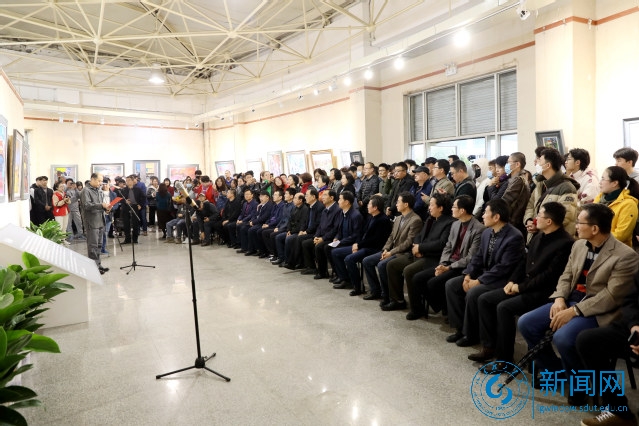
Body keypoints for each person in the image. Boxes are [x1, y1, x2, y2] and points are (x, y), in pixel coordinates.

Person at [518, 203, 639, 406]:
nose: (575, 226)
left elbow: (611, 296)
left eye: (580, 222)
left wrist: (574, 311)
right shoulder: (578, 245)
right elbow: (566, 275)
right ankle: (557, 371)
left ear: (594, 228)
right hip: (570, 300)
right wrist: (559, 299)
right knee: (526, 323)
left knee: (563, 337)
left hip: (597, 311)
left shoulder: (625, 256)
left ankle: (579, 385)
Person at [469, 202, 574, 364]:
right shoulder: (539, 236)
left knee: (504, 307)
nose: (535, 218)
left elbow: (549, 276)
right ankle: (489, 347)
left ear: (549, 221)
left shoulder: (565, 243)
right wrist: (512, 281)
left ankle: (504, 359)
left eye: (539, 215)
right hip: (525, 285)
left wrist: (520, 287)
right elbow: (523, 261)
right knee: (485, 299)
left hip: (543, 292)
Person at [445, 198, 525, 346]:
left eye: (486, 212)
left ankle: (471, 335)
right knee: (452, 285)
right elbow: (478, 257)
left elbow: (503, 267)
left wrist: (479, 281)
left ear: (496, 217)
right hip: (485, 273)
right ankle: (460, 329)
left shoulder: (514, 236)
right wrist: (468, 274)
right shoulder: (487, 232)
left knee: (474, 292)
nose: (482, 216)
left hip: (502, 279)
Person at [407, 195, 484, 320]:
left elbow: (470, 257)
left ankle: (448, 309)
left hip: (462, 266)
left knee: (433, 283)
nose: (452, 209)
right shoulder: (456, 224)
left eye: (454, 207)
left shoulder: (478, 229)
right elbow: (448, 247)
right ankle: (444, 307)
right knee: (417, 278)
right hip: (448, 262)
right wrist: (442, 264)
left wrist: (448, 267)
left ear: (462, 210)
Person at [576, 282, 639, 426]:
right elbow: (630, 300)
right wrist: (634, 324)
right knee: (588, 341)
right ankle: (618, 411)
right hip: (634, 327)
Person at [383, 193, 455, 311]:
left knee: (409, 271)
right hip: (417, 253)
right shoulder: (430, 219)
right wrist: (416, 247)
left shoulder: (449, 223)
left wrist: (420, 248)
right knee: (392, 265)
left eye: (431, 205)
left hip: (432, 258)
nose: (429, 207)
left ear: (440, 208)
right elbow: (418, 236)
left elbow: (441, 243)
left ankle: (416, 308)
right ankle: (397, 300)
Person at [363, 192, 423, 303]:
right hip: (392, 250)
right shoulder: (398, 218)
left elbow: (409, 242)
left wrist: (391, 252)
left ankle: (390, 297)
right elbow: (391, 236)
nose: (396, 204)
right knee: (367, 261)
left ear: (406, 204)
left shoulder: (415, 220)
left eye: (398, 202)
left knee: (382, 265)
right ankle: (376, 291)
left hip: (404, 253)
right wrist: (385, 249)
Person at [331, 195, 392, 296]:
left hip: (374, 249)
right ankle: (345, 279)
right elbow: (362, 233)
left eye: (369, 204)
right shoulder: (370, 217)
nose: (367, 206)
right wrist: (356, 244)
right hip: (364, 246)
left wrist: (358, 246)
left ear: (375, 207)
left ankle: (358, 287)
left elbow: (374, 240)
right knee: (335, 252)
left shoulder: (383, 220)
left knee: (349, 259)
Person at [524, 148, 579, 241]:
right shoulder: (540, 183)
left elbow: (565, 217)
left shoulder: (567, 188)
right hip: (537, 238)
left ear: (548, 165)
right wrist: (529, 220)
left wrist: (538, 225)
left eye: (540, 160)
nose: (537, 163)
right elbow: (530, 206)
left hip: (556, 240)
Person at [593, 166, 639, 247]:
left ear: (614, 183)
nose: (600, 182)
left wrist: (594, 237)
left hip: (616, 249)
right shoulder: (599, 198)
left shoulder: (628, 204)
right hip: (594, 245)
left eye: (603, 179)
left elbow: (621, 235)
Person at [300, 189, 342, 279]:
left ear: (332, 198)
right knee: (306, 243)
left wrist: (323, 238)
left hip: (332, 238)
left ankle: (324, 272)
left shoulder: (337, 210)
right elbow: (320, 226)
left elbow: (335, 229)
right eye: (322, 195)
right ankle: (312, 267)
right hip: (322, 236)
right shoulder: (325, 210)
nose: (322, 197)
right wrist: (316, 236)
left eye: (325, 195)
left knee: (320, 247)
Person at [81, 173, 111, 274]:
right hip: (92, 221)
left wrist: (106, 209)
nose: (100, 183)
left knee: (99, 245)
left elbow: (101, 205)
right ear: (92, 179)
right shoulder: (86, 191)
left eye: (101, 181)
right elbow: (87, 205)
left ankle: (98, 264)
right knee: (93, 245)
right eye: (98, 181)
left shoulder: (99, 190)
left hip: (100, 221)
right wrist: (101, 205)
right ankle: (93, 268)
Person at [500, 152, 530, 236]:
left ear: (517, 164)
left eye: (508, 162)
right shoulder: (517, 178)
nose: (506, 165)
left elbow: (505, 201)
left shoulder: (518, 180)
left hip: (513, 222)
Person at [119, 175, 146, 244]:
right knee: (126, 224)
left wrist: (140, 205)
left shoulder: (138, 189)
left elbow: (143, 197)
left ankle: (135, 239)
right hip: (126, 207)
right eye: (126, 181)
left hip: (135, 207)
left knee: (135, 223)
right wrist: (125, 201)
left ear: (133, 181)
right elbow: (120, 198)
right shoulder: (124, 190)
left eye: (129, 180)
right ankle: (127, 239)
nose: (127, 182)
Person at [51, 180, 71, 245]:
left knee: (65, 227)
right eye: (61, 187)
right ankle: (58, 240)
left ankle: (63, 239)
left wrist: (67, 200)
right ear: (57, 187)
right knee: (60, 227)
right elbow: (56, 204)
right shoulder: (55, 194)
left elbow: (69, 202)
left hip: (65, 211)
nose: (62, 188)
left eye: (63, 186)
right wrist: (63, 201)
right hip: (58, 213)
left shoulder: (64, 193)